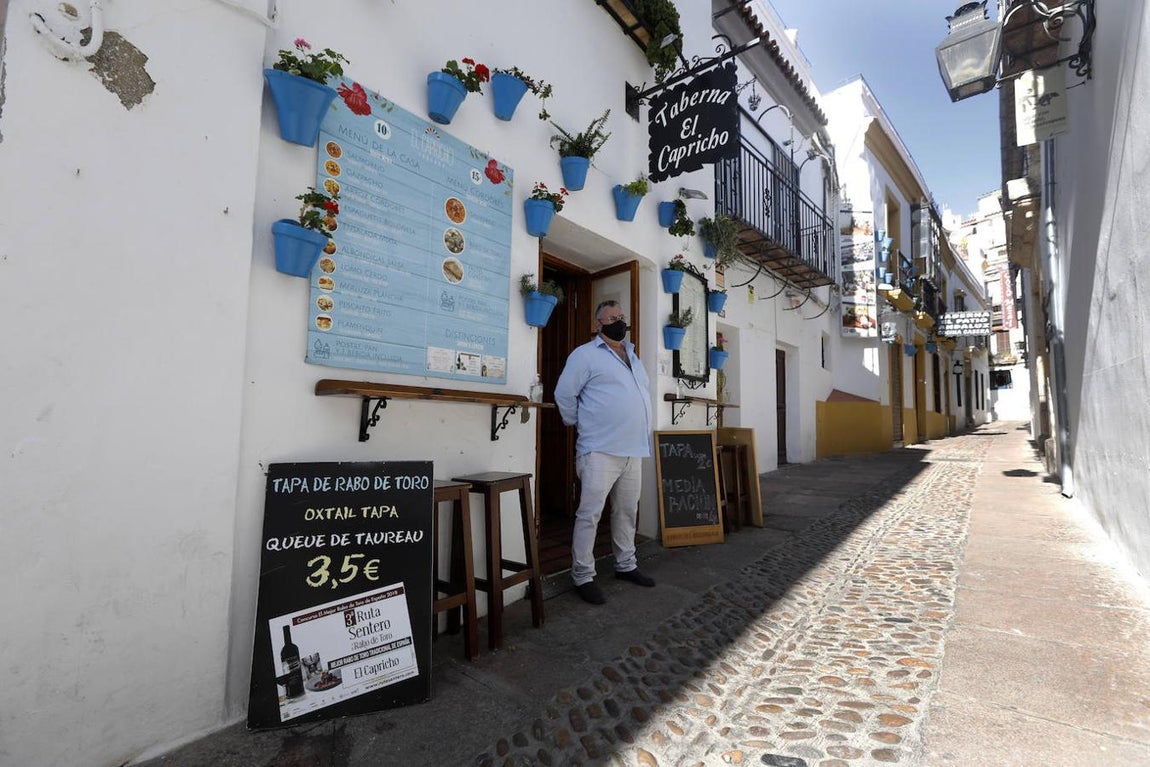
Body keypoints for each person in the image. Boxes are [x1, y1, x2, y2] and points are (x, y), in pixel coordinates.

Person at [554, 299, 655, 605]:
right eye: (611, 317)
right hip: (599, 449)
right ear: (598, 324)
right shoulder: (585, 355)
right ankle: (583, 575)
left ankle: (626, 565)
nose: (618, 321)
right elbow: (564, 393)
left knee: (626, 512)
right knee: (590, 514)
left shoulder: (634, 357)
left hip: (633, 449)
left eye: (621, 316)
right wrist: (578, 422)